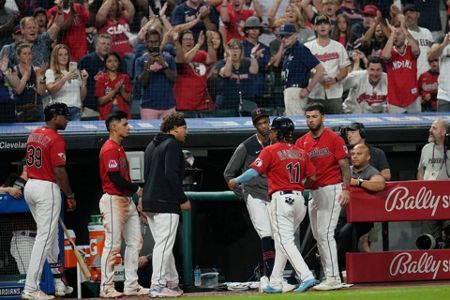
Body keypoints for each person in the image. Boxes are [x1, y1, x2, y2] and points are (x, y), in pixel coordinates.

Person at [227, 116, 319, 294]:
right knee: (281, 241)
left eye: (273, 130)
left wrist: (236, 181)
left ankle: (306, 275)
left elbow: (253, 171)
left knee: (284, 241)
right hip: (300, 200)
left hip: (281, 200)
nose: (271, 132)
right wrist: (297, 186)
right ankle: (275, 281)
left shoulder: (270, 150)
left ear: (277, 132)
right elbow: (313, 177)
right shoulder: (301, 151)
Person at [22, 102, 75, 300]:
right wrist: (69, 195)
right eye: (64, 116)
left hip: (31, 186)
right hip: (46, 188)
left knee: (51, 238)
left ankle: (59, 283)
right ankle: (30, 287)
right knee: (44, 238)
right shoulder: (56, 138)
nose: (67, 119)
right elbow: (59, 171)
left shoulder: (34, 133)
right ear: (55, 117)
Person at [295, 102, 350, 291]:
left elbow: (344, 165)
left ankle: (334, 277)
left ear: (323, 117)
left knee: (326, 234)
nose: (311, 120)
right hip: (314, 192)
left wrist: (346, 189)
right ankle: (329, 275)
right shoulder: (301, 141)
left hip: (332, 188)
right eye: (308, 117)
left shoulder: (334, 138)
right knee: (319, 236)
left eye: (314, 116)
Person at [223, 108, 277, 292]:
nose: (264, 125)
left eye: (266, 121)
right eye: (260, 122)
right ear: (255, 125)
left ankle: (274, 276)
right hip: (255, 195)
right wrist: (243, 194)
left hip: (274, 196)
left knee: (280, 237)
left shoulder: (276, 142)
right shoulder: (246, 146)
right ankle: (265, 275)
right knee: (266, 234)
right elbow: (229, 173)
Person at [98, 111, 148, 298]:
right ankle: (106, 287)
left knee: (135, 242)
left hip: (126, 200)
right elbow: (114, 177)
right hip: (114, 200)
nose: (128, 128)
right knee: (113, 246)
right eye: (125, 125)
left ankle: (131, 285)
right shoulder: (109, 148)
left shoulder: (118, 148)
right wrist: (137, 190)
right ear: (114, 127)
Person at [142, 112, 191, 298]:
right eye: (184, 128)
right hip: (166, 201)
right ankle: (158, 285)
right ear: (175, 128)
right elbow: (170, 174)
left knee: (164, 244)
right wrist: (182, 199)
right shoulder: (172, 144)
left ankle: (171, 282)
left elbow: (147, 175)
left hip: (150, 201)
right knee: (164, 245)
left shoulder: (151, 144)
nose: (186, 132)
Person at [336, 143, 385, 273]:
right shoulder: (348, 170)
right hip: (343, 215)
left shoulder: (370, 171)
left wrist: (358, 182)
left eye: (359, 154)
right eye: (353, 154)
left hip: (362, 218)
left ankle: (345, 269)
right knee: (333, 236)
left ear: (368, 157)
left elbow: (380, 184)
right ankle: (338, 270)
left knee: (345, 235)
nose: (355, 157)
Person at [270, 22, 324, 116]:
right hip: (288, 91)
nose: (284, 39)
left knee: (298, 125)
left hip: (296, 91)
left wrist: (308, 89)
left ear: (296, 35)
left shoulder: (301, 49)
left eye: (287, 36)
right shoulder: (288, 51)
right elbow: (275, 65)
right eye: (282, 36)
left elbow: (320, 69)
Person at [305, 14, 351, 114]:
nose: (322, 26)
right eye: (319, 24)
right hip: (314, 93)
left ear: (330, 27)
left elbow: (345, 69)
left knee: (337, 124)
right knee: (314, 124)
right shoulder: (307, 47)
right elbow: (302, 70)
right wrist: (317, 75)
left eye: (325, 23)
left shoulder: (338, 47)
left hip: (334, 93)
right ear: (315, 27)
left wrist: (335, 79)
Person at [417, 118, 450, 248]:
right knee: (429, 238)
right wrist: (421, 190)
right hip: (429, 199)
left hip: (447, 199)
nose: (430, 131)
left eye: (434, 128)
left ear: (443, 132)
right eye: (431, 128)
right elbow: (420, 171)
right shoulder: (425, 148)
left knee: (448, 235)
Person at [382, 16, 421, 113]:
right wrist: (393, 33)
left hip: (413, 99)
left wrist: (403, 28)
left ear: (404, 34)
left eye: (398, 34)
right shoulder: (390, 51)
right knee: (396, 128)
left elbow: (416, 49)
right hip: (395, 101)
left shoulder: (410, 49)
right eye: (394, 34)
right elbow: (386, 56)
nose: (396, 37)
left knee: (416, 126)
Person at [135, 29, 177, 120]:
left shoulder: (169, 58)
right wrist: (148, 66)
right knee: (149, 134)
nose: (153, 44)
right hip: (148, 106)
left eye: (156, 42)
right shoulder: (140, 60)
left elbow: (174, 79)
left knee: (170, 134)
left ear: (160, 42)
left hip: (168, 105)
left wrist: (164, 65)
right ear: (146, 43)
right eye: (150, 42)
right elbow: (142, 83)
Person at [45, 44, 88, 121]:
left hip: (75, 109)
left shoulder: (76, 72)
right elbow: (51, 89)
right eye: (60, 55)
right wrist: (64, 79)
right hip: (60, 110)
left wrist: (84, 82)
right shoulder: (50, 72)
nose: (64, 57)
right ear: (55, 57)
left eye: (66, 54)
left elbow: (81, 97)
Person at [95, 52, 133, 120]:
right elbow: (101, 101)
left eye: (115, 61)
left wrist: (121, 90)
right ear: (105, 64)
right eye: (109, 61)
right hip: (106, 112)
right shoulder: (100, 79)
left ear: (119, 63)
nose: (112, 64)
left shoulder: (125, 78)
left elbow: (129, 99)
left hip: (123, 110)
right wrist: (115, 90)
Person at [428, 32, 450, 112]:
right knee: (441, 124)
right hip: (445, 96)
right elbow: (430, 56)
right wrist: (444, 44)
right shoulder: (441, 39)